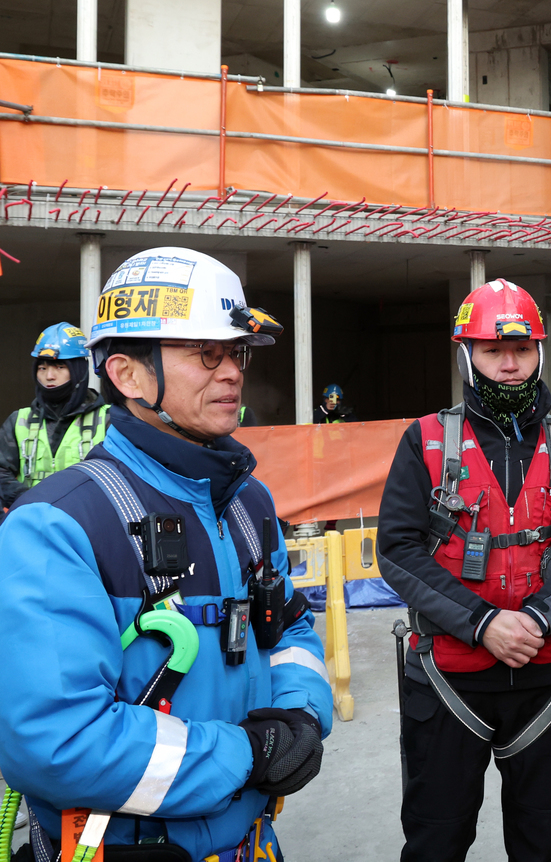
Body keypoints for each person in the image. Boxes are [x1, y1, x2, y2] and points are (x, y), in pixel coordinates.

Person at [0, 247, 333, 862]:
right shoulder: (59, 525)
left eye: (237, 353)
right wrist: (246, 753)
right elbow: (55, 742)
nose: (232, 372)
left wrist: (302, 719)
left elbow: (291, 628)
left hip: (253, 845)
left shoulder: (248, 503)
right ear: (127, 375)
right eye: (207, 353)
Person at [377, 277, 551, 862]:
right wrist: (482, 621)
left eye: (522, 350)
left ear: (540, 351)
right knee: (435, 841)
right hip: (448, 681)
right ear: (468, 355)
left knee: (541, 842)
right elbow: (396, 549)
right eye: (493, 351)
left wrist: (542, 616)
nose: (510, 364)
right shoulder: (425, 442)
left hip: (547, 684)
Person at [0, 322, 109, 512]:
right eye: (42, 368)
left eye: (59, 367)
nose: (49, 376)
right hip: (29, 520)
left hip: (87, 521)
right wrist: (31, 501)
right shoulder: (19, 420)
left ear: (78, 371)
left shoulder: (108, 419)